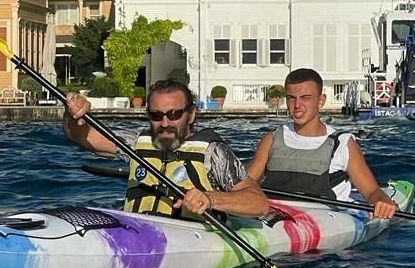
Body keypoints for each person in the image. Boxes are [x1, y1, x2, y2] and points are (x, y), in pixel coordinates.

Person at [63, 79, 269, 220]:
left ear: (191, 115)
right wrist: (73, 112)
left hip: (192, 240)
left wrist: (210, 198)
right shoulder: (138, 142)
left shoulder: (212, 151)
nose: (164, 122)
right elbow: (81, 136)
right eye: (156, 115)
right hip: (138, 230)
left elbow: (258, 202)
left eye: (174, 114)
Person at [246, 68, 397, 219]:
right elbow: (246, 183)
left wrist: (381, 200)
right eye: (292, 98)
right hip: (274, 214)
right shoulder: (271, 139)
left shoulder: (343, 143)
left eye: (305, 98)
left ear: (321, 101)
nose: (297, 105)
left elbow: (371, 192)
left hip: (324, 219)